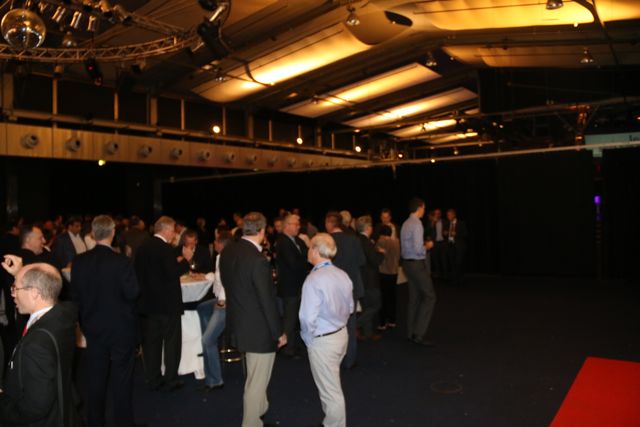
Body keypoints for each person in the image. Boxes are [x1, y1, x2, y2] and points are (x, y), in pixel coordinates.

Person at [70, 215, 142, 427]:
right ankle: (124, 423)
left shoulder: (79, 262)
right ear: (112, 233)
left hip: (92, 327)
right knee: (122, 380)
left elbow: (75, 296)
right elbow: (133, 293)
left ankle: (95, 422)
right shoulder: (121, 261)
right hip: (121, 328)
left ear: (93, 234)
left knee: (95, 379)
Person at [219, 212, 286, 427]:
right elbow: (267, 302)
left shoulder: (228, 251)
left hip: (238, 324)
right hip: (259, 331)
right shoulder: (258, 261)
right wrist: (279, 332)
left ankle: (261, 409)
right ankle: (251, 423)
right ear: (262, 231)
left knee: (254, 376)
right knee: (256, 383)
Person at [0, 255, 79, 427]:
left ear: (35, 293)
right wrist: (19, 274)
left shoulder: (36, 344)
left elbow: (35, 407)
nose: (13, 294)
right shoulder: (63, 315)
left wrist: (4, 409)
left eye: (15, 289)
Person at [299, 233, 353, 427]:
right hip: (341, 335)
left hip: (324, 341)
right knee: (331, 385)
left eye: (309, 247)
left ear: (315, 250)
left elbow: (307, 318)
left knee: (331, 392)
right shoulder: (342, 274)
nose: (308, 251)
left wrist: (308, 339)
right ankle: (330, 422)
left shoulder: (313, 279)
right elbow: (350, 308)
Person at [135, 216, 193, 392]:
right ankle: (171, 379)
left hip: (148, 304)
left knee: (151, 343)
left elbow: (139, 274)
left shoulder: (142, 247)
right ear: (166, 230)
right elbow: (171, 273)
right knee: (171, 343)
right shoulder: (165, 249)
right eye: (173, 231)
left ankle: (153, 378)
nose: (174, 234)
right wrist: (186, 261)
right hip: (168, 305)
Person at [325, 212, 364, 369]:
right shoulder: (353, 240)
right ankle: (350, 359)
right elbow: (362, 261)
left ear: (329, 223)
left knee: (332, 324)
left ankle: (334, 359)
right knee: (350, 324)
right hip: (351, 287)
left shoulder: (325, 241)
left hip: (331, 288)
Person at [196, 230, 232, 392]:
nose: (214, 244)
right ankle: (210, 334)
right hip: (219, 300)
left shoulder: (226, 258)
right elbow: (217, 277)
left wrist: (223, 300)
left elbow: (226, 282)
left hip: (226, 303)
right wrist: (205, 276)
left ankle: (215, 380)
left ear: (221, 244)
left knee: (207, 341)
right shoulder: (220, 257)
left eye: (216, 242)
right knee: (202, 308)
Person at [400, 197, 437, 347]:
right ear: (419, 208)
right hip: (416, 265)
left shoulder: (406, 223)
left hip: (407, 265)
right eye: (424, 208)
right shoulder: (417, 224)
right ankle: (418, 334)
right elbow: (418, 249)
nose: (424, 210)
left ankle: (411, 333)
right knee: (430, 297)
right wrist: (427, 246)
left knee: (414, 299)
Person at [275, 214, 309, 358]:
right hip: (290, 287)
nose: (298, 227)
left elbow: (307, 255)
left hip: (299, 285)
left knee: (296, 318)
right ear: (287, 225)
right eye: (296, 224)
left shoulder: (298, 240)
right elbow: (294, 263)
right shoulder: (282, 241)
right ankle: (287, 349)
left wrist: (305, 260)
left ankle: (294, 345)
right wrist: (306, 261)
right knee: (290, 319)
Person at [355, 216, 384, 341]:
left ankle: (368, 333)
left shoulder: (357, 240)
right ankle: (355, 325)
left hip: (361, 278)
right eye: (371, 226)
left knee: (366, 307)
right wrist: (381, 253)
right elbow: (375, 260)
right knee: (376, 305)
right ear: (367, 228)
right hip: (370, 279)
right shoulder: (367, 242)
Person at [375, 225, 400, 330]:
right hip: (394, 272)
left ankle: (382, 323)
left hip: (384, 273)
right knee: (392, 297)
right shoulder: (396, 241)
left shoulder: (380, 241)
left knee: (383, 298)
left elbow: (377, 256)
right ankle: (392, 320)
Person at [444, 208, 468, 286]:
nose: (448, 217)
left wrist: (456, 234)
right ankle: (454, 279)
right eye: (447, 215)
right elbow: (445, 233)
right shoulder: (447, 223)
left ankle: (460, 279)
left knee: (459, 263)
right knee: (452, 263)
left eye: (449, 215)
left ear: (454, 215)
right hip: (450, 245)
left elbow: (465, 234)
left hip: (459, 246)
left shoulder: (461, 223)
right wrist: (445, 233)